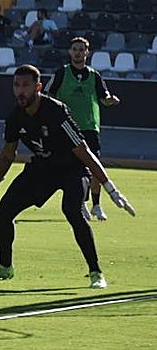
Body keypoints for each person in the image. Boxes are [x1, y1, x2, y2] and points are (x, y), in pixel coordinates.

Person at [0, 65, 136, 289]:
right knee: (3, 211)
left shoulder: (56, 112)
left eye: (26, 85)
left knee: (72, 210)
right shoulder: (15, 116)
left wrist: (110, 188)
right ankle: (4, 266)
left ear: (38, 87)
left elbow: (83, 151)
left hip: (73, 169)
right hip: (43, 169)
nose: (20, 91)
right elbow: (8, 152)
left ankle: (96, 272)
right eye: (16, 85)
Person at [48, 37, 120, 221]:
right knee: (71, 170)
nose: (78, 52)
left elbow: (104, 97)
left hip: (89, 128)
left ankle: (96, 205)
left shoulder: (94, 75)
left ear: (87, 52)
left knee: (94, 167)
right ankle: (80, 203)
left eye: (82, 49)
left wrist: (110, 101)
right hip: (67, 128)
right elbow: (49, 96)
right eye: (75, 49)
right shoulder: (62, 73)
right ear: (70, 52)